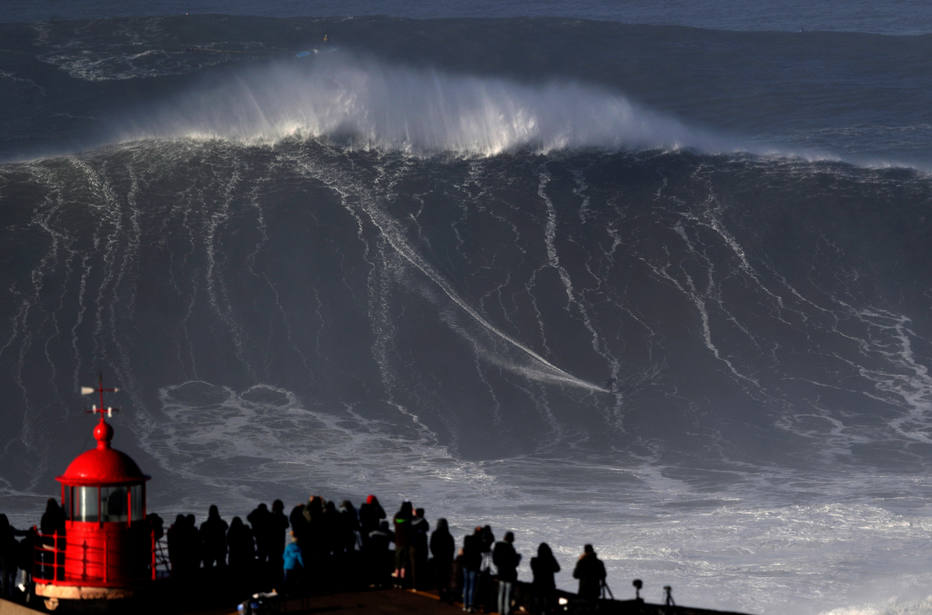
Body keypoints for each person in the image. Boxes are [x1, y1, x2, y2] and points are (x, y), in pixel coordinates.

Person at [492, 531, 521, 615]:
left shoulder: (498, 545)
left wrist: (499, 566)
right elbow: (515, 563)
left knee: (501, 592)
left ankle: (500, 610)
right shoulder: (511, 548)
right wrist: (518, 557)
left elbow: (495, 559)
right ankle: (506, 611)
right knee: (507, 593)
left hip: (500, 572)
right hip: (509, 573)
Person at [530, 542, 560, 615]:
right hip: (549, 587)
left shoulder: (534, 561)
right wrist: (551, 556)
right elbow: (557, 568)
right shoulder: (550, 561)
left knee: (538, 607)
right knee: (548, 607)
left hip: (538, 586)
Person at [430, 518, 455, 598]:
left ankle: (441, 592)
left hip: (437, 558)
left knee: (439, 575)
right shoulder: (449, 536)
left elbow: (431, 545)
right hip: (446, 559)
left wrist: (435, 554)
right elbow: (452, 548)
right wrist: (450, 558)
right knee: (446, 576)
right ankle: (447, 590)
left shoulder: (435, 534)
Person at [461, 527, 482, 613]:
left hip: (465, 565)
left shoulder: (467, 538)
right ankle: (470, 606)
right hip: (473, 566)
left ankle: (464, 605)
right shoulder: (479, 542)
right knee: (472, 587)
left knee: (466, 586)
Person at [282, 531, 305, 595]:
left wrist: (287, 560)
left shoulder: (288, 546)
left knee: (287, 579)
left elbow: (284, 555)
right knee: (293, 579)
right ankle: (292, 592)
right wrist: (303, 565)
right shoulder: (298, 548)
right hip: (293, 566)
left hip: (287, 566)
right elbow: (300, 559)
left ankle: (285, 591)